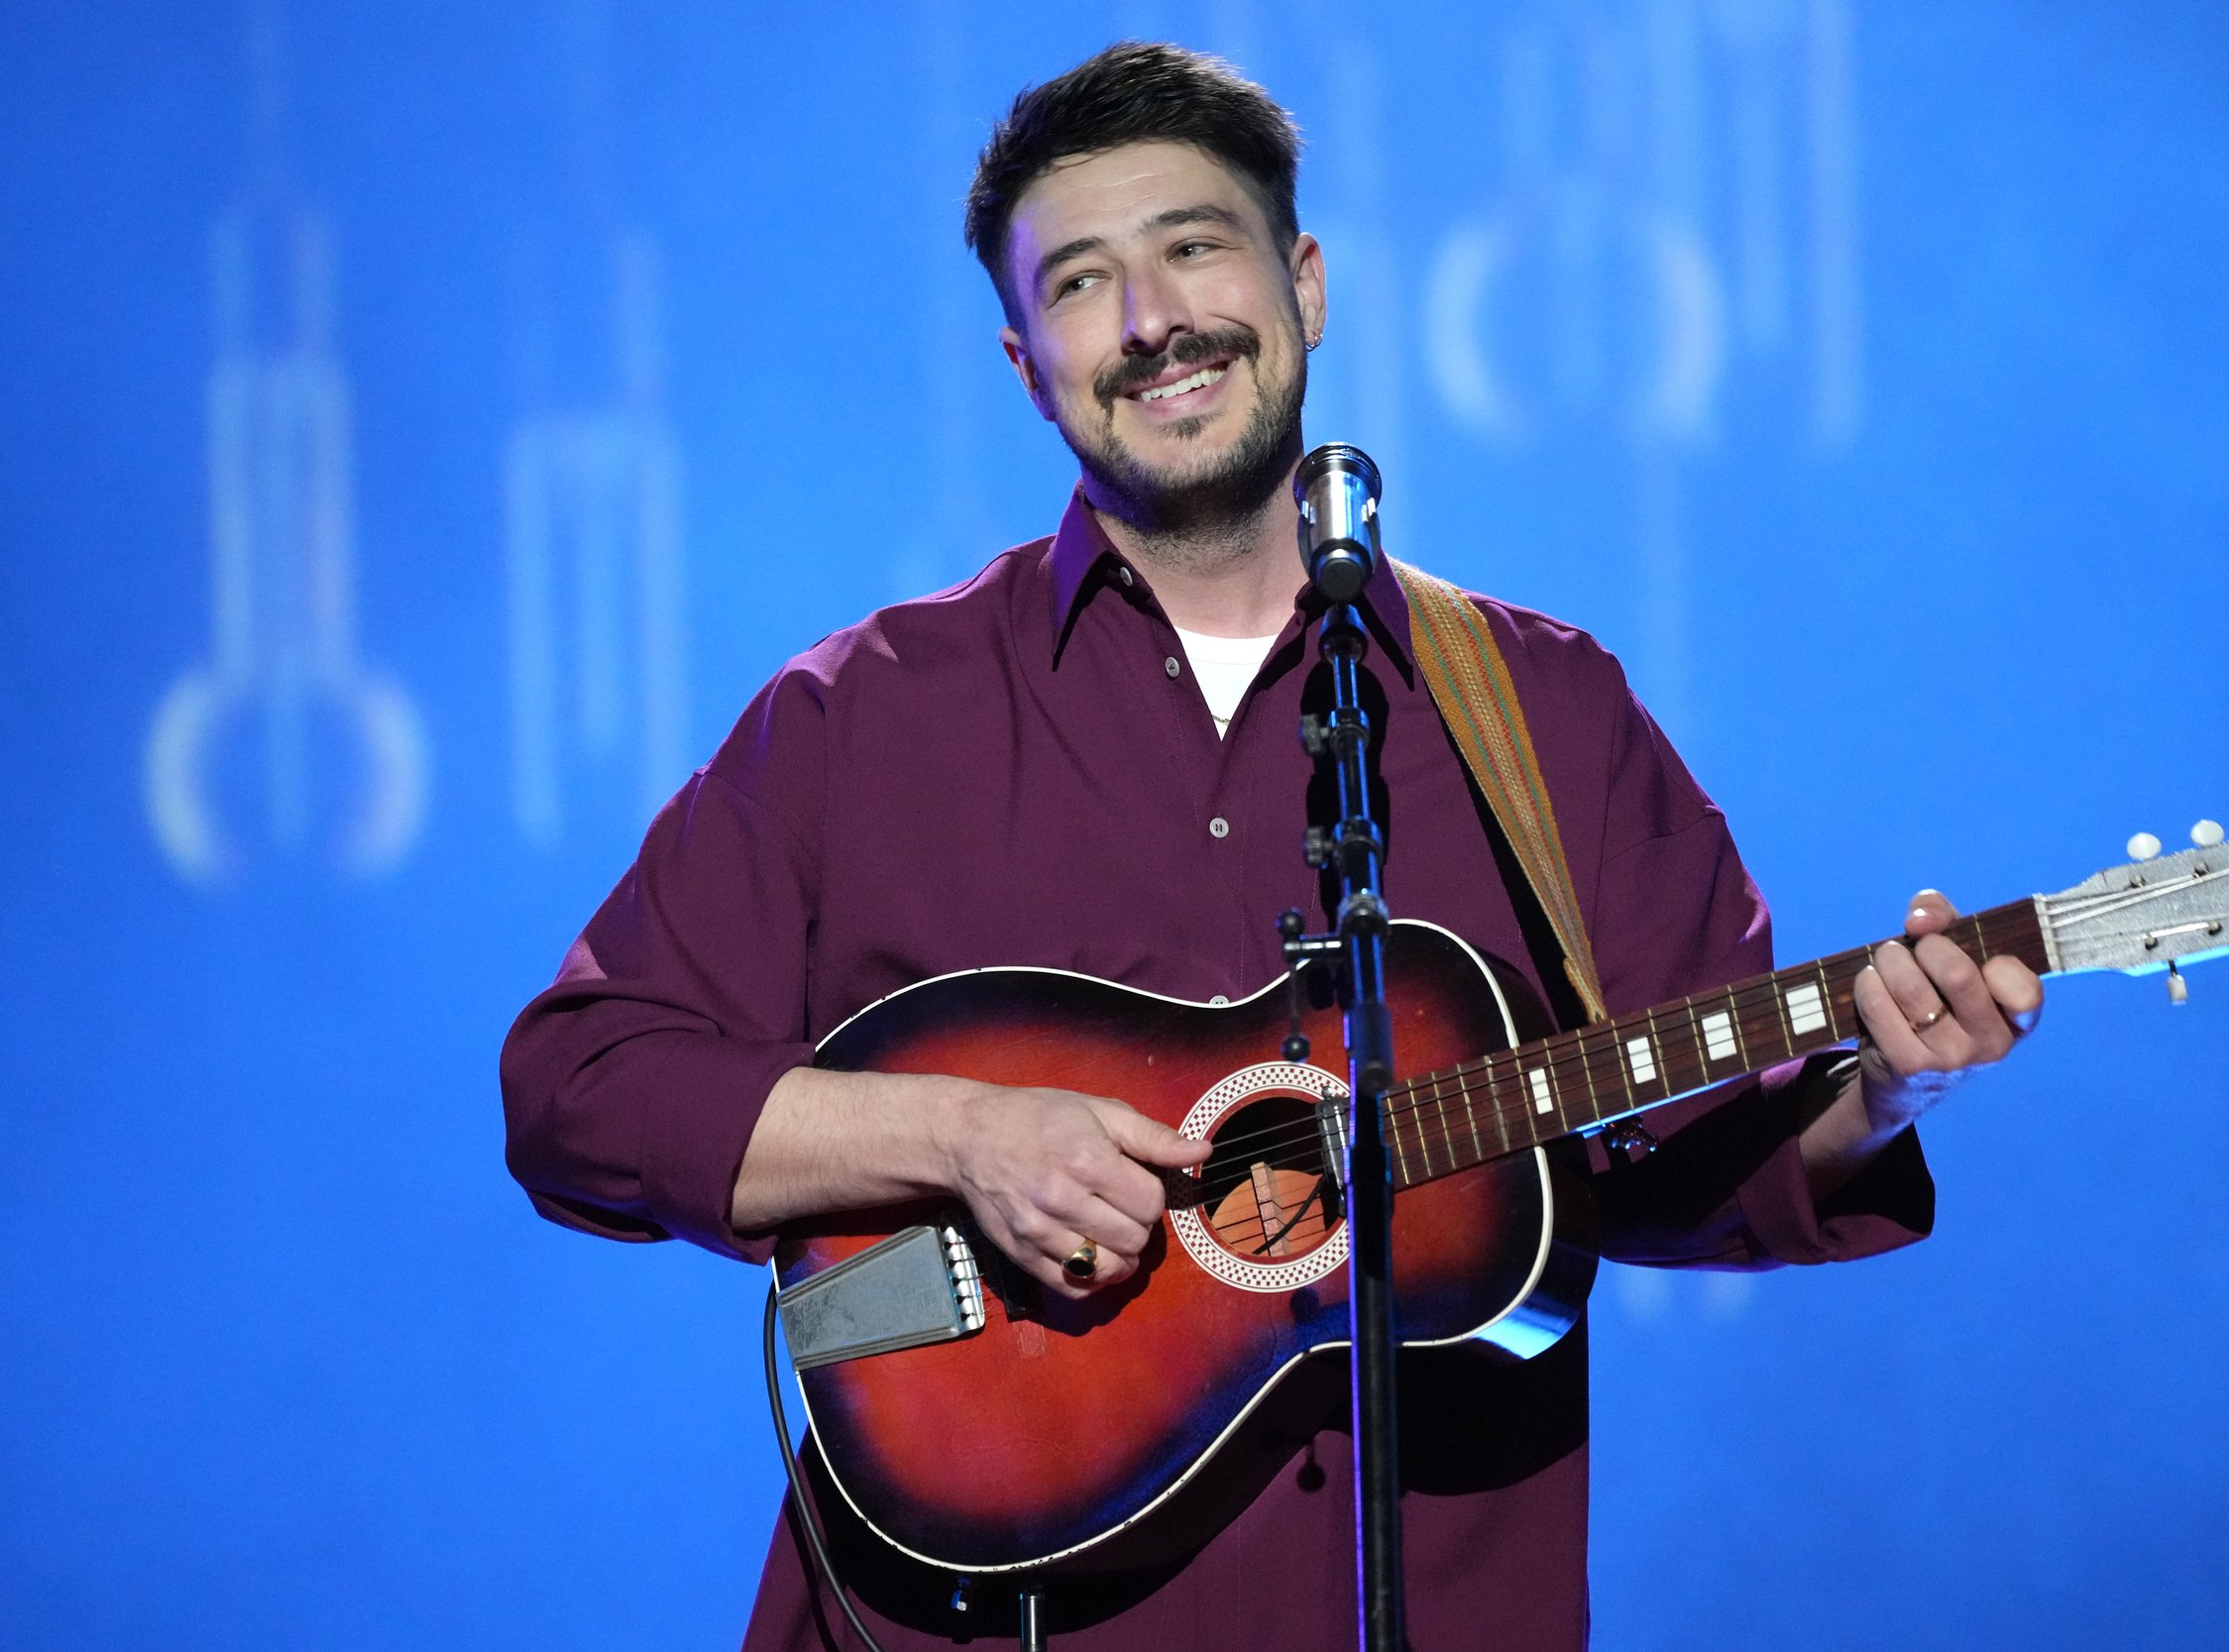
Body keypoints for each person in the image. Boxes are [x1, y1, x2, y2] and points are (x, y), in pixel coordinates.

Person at [501, 42, 2043, 1652]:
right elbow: (577, 1087)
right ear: (1027, 363)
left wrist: (1882, 1091)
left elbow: (1678, 1165)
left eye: (1195, 246)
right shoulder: (862, 717)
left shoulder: (1543, 710)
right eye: (1085, 283)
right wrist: (959, 1134)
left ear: (1304, 285)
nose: (1155, 319)